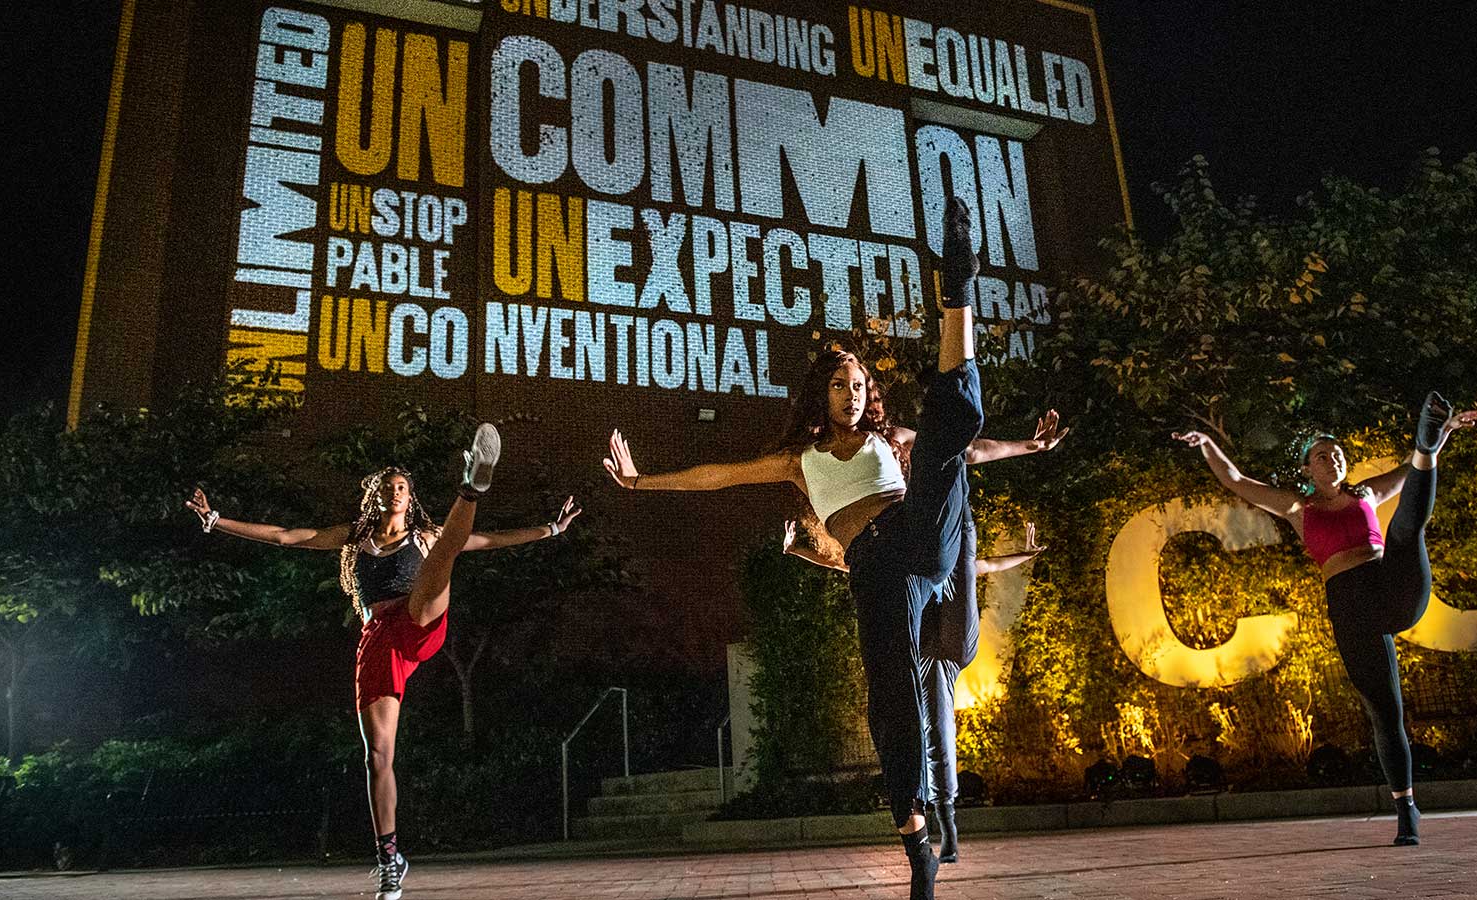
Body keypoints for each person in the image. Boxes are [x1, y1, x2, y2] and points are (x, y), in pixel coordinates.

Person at [605, 196, 1063, 899]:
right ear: (822, 395)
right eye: (840, 384)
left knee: (951, 431)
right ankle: (915, 835)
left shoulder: (891, 441)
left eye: (860, 385)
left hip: (918, 534)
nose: (852, 393)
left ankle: (958, 290)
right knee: (890, 699)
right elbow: (718, 476)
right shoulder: (799, 456)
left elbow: (967, 454)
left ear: (867, 394)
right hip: (874, 568)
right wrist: (641, 483)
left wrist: (1032, 444)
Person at [184, 424, 581, 900]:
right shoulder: (355, 537)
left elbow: (491, 541)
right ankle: (389, 858)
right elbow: (288, 536)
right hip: (378, 639)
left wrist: (552, 529)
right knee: (378, 756)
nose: (396, 492)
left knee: (445, 552)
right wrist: (216, 521)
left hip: (419, 621)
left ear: (410, 498)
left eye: (403, 488)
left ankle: (472, 485)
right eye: (389, 487)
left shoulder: (425, 534)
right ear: (377, 496)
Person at [1173, 392, 1477, 845]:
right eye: (1322, 456)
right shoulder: (1299, 509)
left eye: (1337, 453)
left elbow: (1417, 478)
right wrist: (1205, 442)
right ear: (1307, 470)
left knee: (1403, 528)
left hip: (1394, 584)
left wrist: (1442, 436)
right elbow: (1236, 479)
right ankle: (1406, 808)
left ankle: (1425, 435)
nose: (1333, 459)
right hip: (1352, 607)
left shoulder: (1368, 493)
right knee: (1385, 714)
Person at [784, 517, 1046, 863]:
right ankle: (945, 823)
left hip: (950, 643)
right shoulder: (894, 566)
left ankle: (947, 826)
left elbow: (984, 565)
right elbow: (839, 562)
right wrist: (797, 548)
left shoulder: (946, 561)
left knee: (961, 568)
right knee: (936, 732)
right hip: (926, 655)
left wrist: (1025, 555)